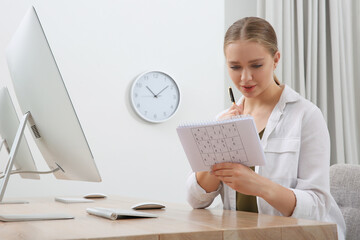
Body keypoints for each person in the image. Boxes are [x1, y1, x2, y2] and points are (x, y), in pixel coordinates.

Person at [186, 17, 345, 240]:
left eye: (256, 65)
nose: (245, 78)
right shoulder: (224, 119)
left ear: (276, 59)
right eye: (235, 67)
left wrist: (260, 186)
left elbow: (317, 207)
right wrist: (218, 147)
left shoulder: (306, 116)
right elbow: (195, 200)